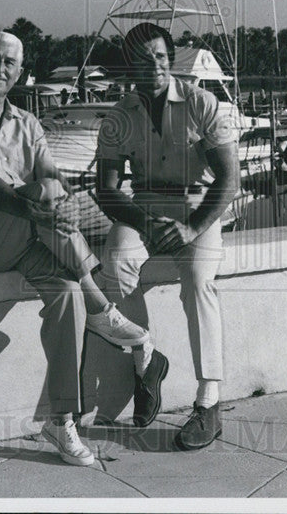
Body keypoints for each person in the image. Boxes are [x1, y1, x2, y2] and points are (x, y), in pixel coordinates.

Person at [0, 30, 149, 467]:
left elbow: (53, 176)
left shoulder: (28, 122)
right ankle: (101, 305)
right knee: (45, 196)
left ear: (20, 72)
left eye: (9, 63)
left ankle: (61, 419)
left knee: (65, 295)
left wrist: (59, 191)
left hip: (24, 235)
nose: (0, 68)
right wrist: (41, 205)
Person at [94, 23, 240, 450]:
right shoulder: (119, 115)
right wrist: (143, 222)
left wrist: (192, 226)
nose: (154, 65)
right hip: (143, 209)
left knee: (198, 282)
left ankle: (208, 401)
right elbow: (106, 188)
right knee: (116, 269)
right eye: (143, 59)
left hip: (197, 209)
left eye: (160, 56)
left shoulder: (201, 103)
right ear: (130, 66)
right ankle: (146, 359)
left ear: (169, 58)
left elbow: (229, 180)